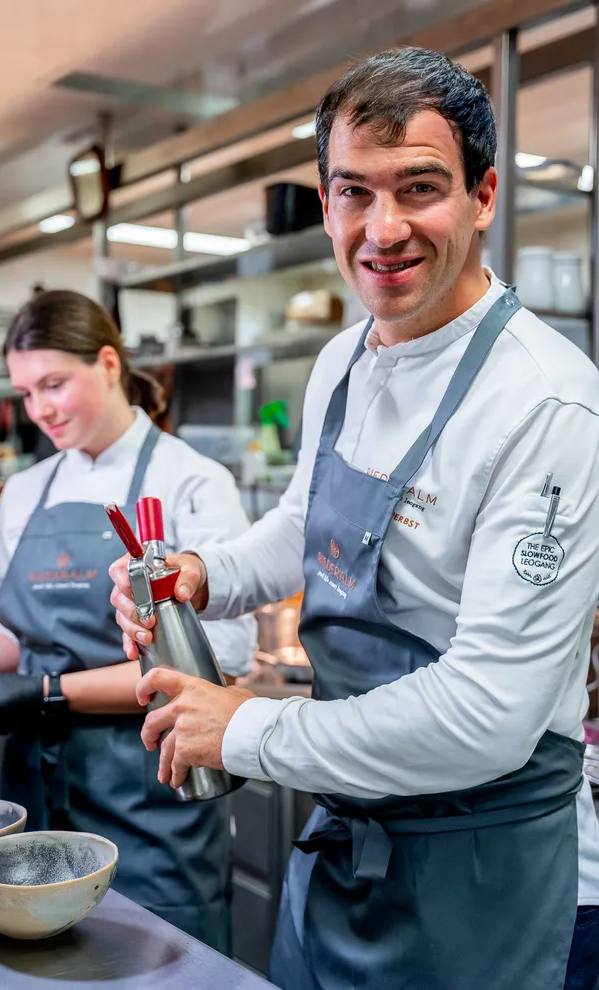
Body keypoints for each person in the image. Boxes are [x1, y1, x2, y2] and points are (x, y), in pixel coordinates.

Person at [110, 48, 599, 990]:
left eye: (420, 187)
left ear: (484, 195)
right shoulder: (344, 361)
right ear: (325, 204)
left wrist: (248, 729)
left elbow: (486, 715)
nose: (384, 230)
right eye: (353, 194)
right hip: (345, 836)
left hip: (479, 871)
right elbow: (307, 527)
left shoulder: (547, 404)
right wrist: (204, 575)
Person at [0, 289, 256, 954]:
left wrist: (51, 693)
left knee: (160, 966)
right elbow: (23, 638)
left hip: (150, 797)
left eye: (53, 384)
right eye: (26, 392)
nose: (39, 410)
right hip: (35, 799)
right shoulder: (26, 490)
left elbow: (223, 658)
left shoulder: (193, 480)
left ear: (107, 363)